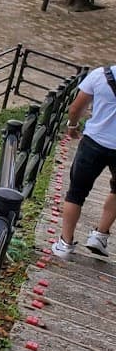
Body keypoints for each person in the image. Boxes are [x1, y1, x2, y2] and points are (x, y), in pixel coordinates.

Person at [55, 63, 116, 257]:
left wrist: (72, 127)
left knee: (76, 193)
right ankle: (100, 235)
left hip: (93, 142)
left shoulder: (101, 75)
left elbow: (75, 108)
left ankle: (65, 243)